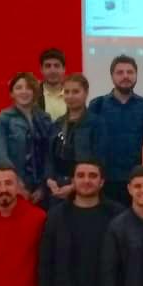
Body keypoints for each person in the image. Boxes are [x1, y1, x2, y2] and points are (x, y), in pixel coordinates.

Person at [87, 54, 143, 207]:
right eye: (120, 72)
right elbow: (90, 143)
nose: (125, 76)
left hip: (137, 181)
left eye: (130, 72)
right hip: (105, 181)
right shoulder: (97, 105)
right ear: (112, 76)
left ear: (136, 75)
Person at [0, 73, 52, 199]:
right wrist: (17, 184)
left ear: (34, 92)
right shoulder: (3, 119)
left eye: (28, 88)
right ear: (11, 93)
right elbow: (1, 156)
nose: (24, 91)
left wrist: (43, 187)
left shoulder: (45, 118)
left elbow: (49, 155)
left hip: (43, 187)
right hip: (13, 186)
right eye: (18, 88)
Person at [44, 73, 99, 203]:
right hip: (56, 187)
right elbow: (49, 156)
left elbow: (100, 160)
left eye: (75, 92)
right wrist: (49, 179)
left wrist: (74, 186)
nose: (70, 96)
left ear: (86, 93)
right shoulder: (58, 123)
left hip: (85, 187)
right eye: (67, 92)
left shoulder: (96, 123)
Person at [38, 48, 69, 121]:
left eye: (57, 66)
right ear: (41, 69)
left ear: (64, 69)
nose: (52, 71)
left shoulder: (74, 95)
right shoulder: (32, 96)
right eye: (48, 66)